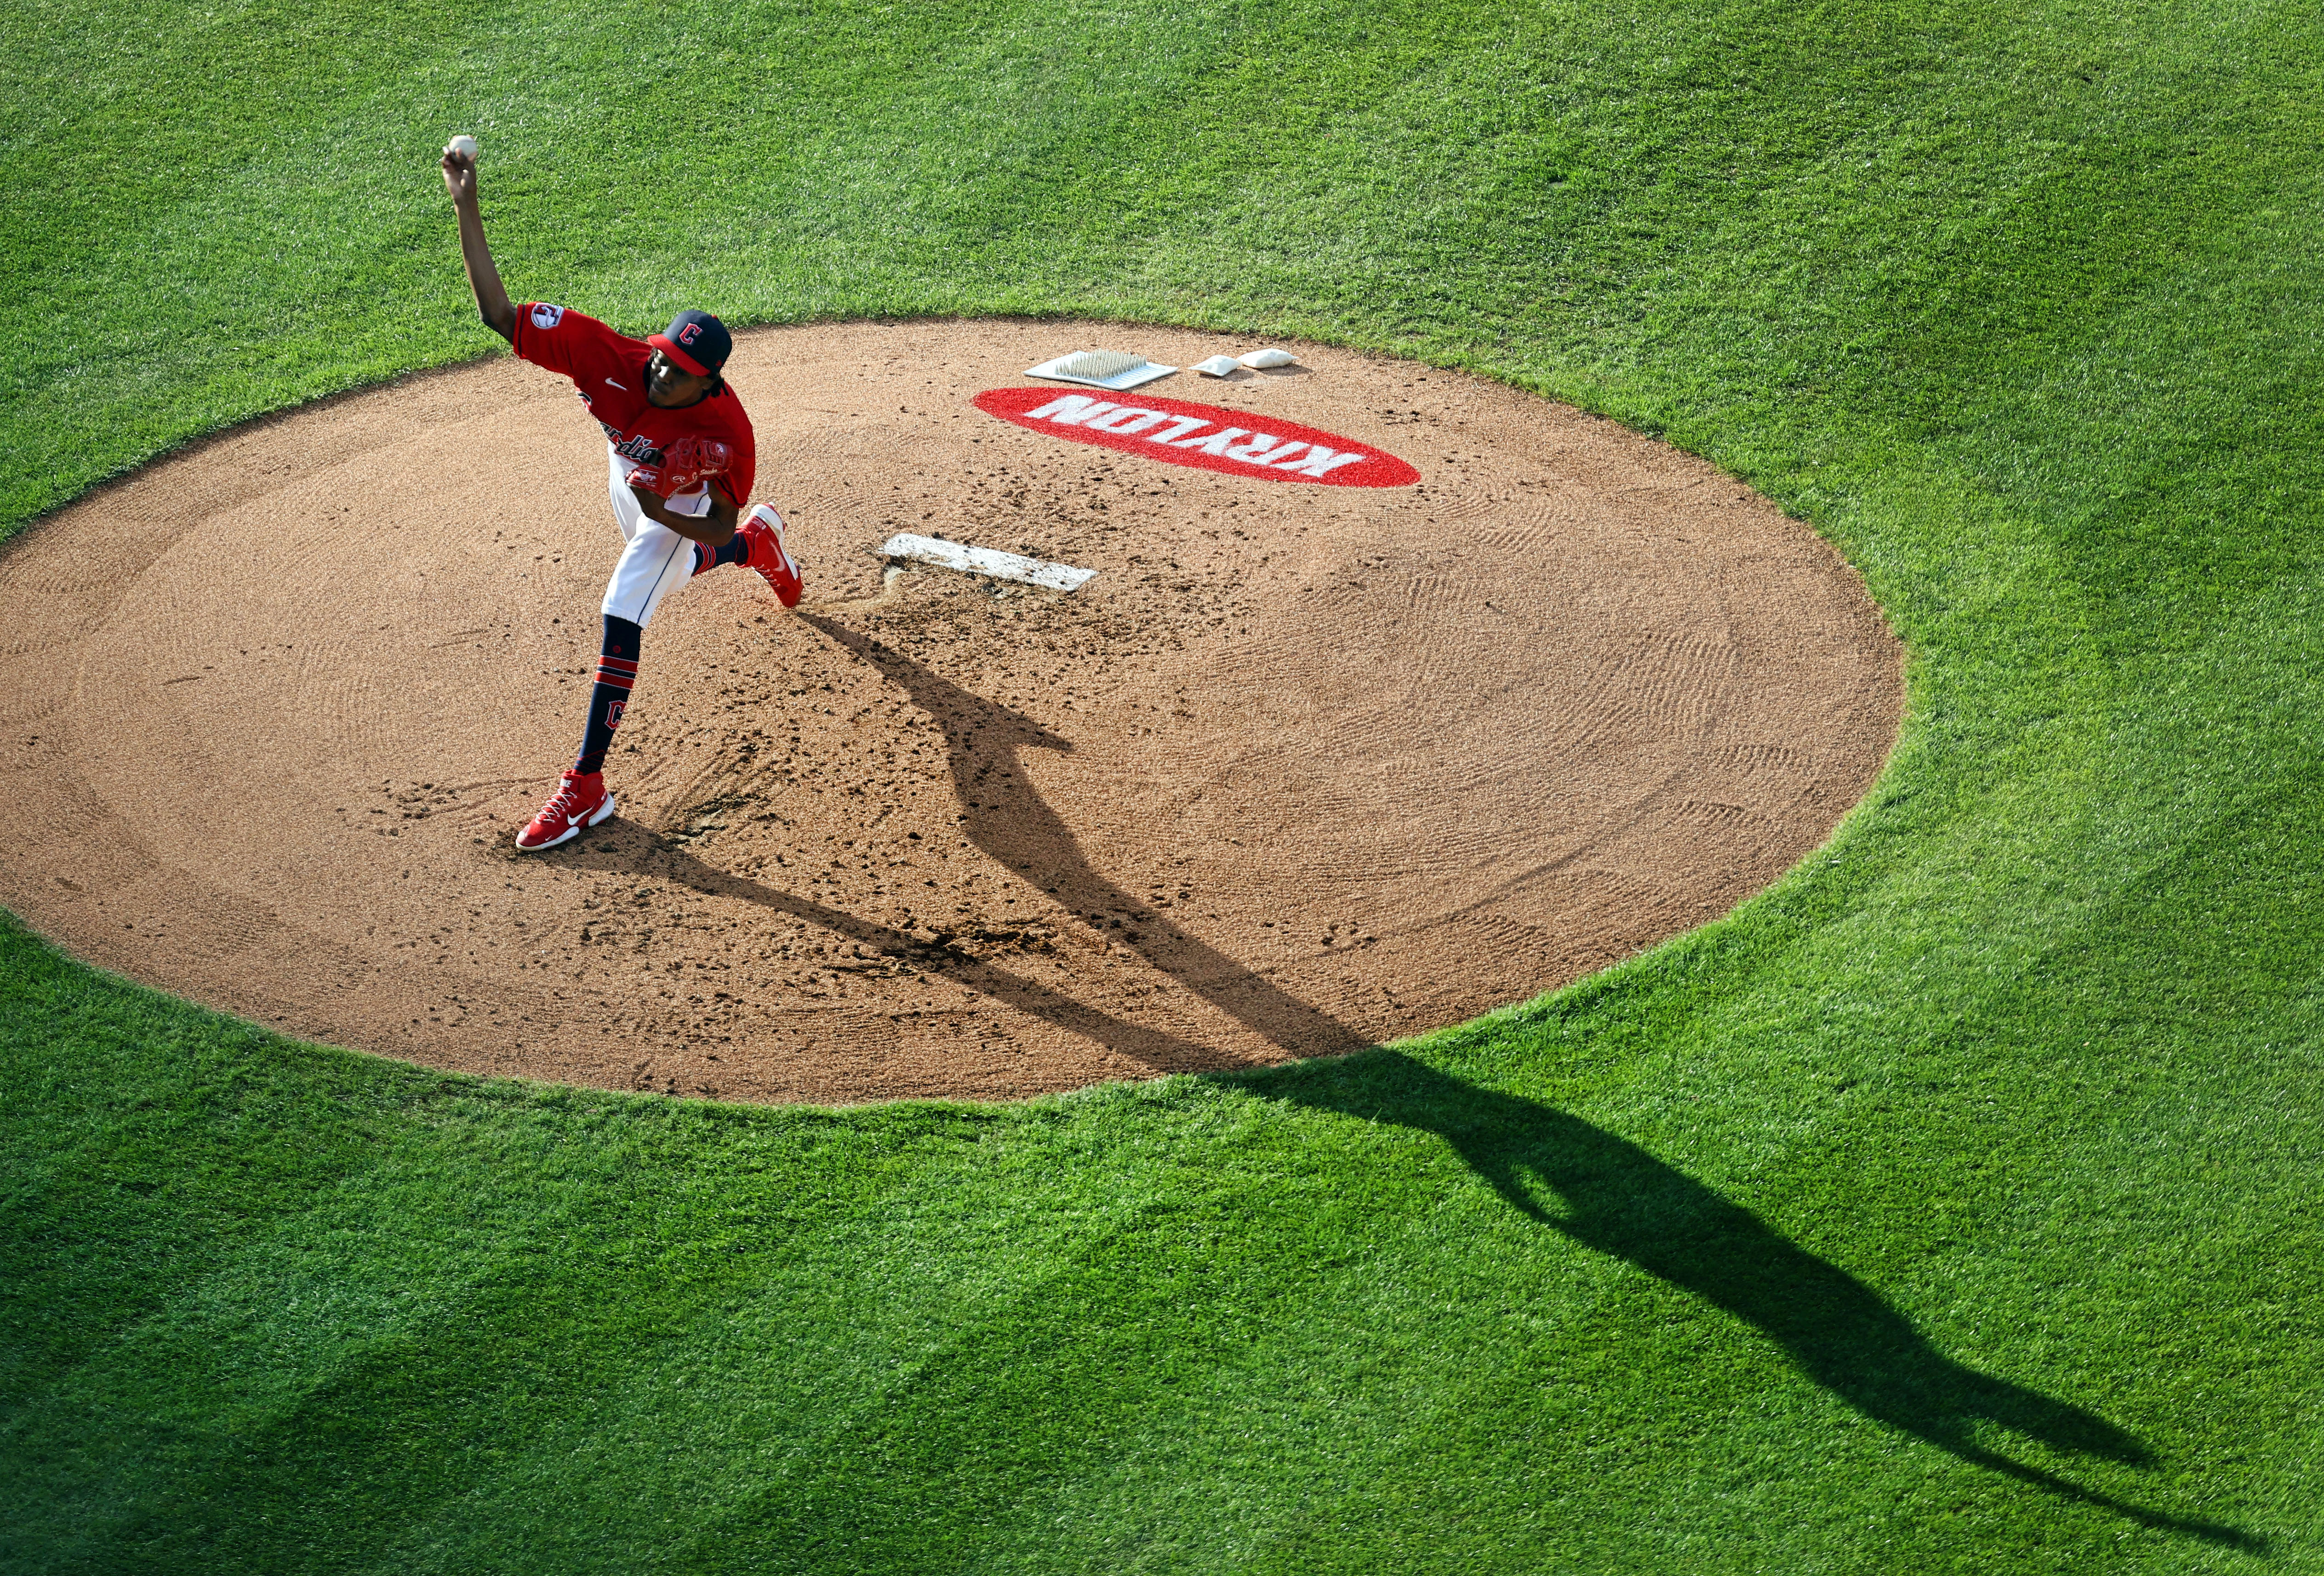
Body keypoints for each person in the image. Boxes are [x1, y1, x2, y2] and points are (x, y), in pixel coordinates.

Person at [439, 140, 804, 851]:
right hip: (629, 473)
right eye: (666, 357)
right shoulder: (604, 353)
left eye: (685, 371)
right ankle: (757, 545)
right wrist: (467, 205)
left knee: (625, 602)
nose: (667, 374)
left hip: (684, 505)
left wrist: (669, 508)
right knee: (659, 572)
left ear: (712, 383)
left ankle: (586, 788)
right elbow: (497, 314)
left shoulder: (728, 430)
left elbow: (715, 512)